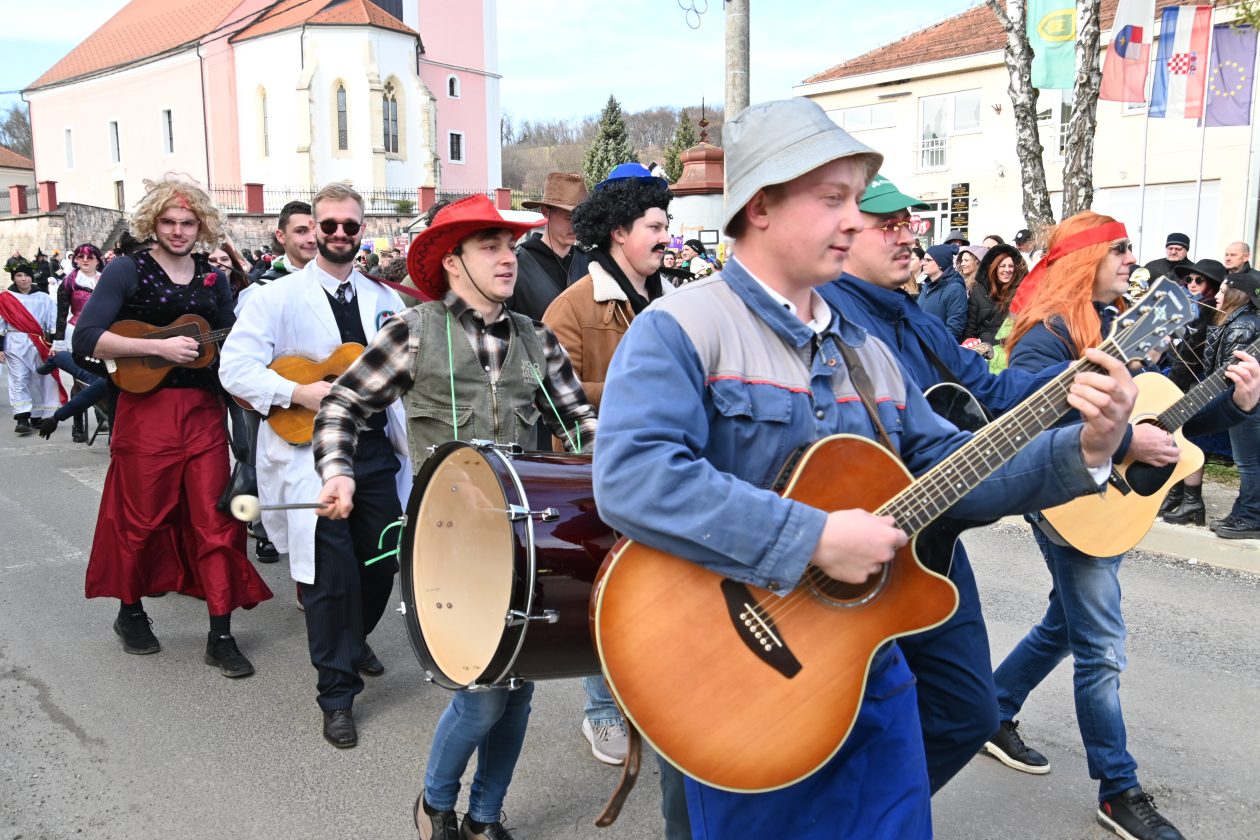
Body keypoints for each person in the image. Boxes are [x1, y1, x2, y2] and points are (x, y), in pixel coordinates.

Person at [592, 97, 1139, 840]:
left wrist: (1087, 450)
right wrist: (811, 538)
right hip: (738, 685)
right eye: (833, 198)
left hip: (868, 674)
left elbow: (947, 464)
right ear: (759, 205)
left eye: (856, 199)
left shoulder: (867, 350)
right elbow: (634, 477)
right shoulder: (682, 327)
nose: (855, 219)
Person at [311, 194, 597, 840]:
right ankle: (435, 803)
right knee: (484, 696)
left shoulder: (536, 338)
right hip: (445, 543)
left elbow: (581, 425)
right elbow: (341, 406)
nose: (508, 258)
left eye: (510, 246)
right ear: (451, 262)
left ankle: (484, 818)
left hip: (522, 541)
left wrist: (614, 461)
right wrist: (337, 472)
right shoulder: (413, 331)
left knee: (520, 687)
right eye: (489, 247)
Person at [984, 211, 1259, 840]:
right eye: (1119, 250)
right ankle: (1118, 790)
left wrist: (1240, 403)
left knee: (1067, 623)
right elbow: (1030, 428)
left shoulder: (1119, 325)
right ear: (1085, 261)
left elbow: (1173, 419)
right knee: (1101, 647)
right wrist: (1128, 441)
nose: (1133, 260)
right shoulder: (1045, 337)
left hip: (1107, 502)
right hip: (1066, 502)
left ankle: (992, 712)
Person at [818, 173, 1069, 795]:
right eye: (889, 225)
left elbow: (990, 393)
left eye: (909, 223)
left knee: (968, 712)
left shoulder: (914, 316)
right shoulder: (826, 313)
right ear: (842, 233)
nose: (908, 236)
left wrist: (1077, 377)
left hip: (932, 539)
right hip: (851, 547)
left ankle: (877, 818)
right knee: (840, 718)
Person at [220, 183, 408, 747]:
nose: (340, 234)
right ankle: (337, 694)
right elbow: (234, 368)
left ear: (362, 230)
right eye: (329, 225)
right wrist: (298, 392)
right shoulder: (274, 297)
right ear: (313, 229)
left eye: (351, 225)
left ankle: (352, 639)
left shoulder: (385, 299)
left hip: (374, 449)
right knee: (328, 576)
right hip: (309, 454)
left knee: (381, 561)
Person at [72, 178, 272, 675]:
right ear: (152, 223)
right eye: (168, 222)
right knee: (140, 519)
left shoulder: (213, 277)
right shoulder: (126, 269)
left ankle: (220, 633)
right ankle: (130, 611)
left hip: (203, 412)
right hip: (146, 414)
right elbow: (86, 338)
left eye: (187, 222)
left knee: (218, 521)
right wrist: (157, 347)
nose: (178, 231)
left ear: (201, 225)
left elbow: (231, 341)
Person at [542, 162, 672, 766]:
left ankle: (649, 695)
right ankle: (601, 709)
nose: (666, 237)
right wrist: (638, 382)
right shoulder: (572, 306)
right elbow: (552, 393)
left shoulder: (673, 299)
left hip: (670, 467)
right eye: (655, 226)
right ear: (620, 232)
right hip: (601, 471)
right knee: (608, 589)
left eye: (666, 225)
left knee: (660, 589)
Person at [1160, 258, 1227, 525]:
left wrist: (1173, 385)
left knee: (1189, 439)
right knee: (1178, 438)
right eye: (1189, 279)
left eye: (1200, 280)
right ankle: (1177, 493)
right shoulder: (1193, 307)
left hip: (1196, 383)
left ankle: (1191, 500)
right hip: (1184, 377)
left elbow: (1191, 355)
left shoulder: (1211, 313)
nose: (1192, 284)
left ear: (1213, 285)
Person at [1200, 270, 1260, 539]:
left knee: (1248, 463)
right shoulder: (1245, 320)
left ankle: (1250, 518)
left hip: (1245, 401)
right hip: (1248, 400)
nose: (1216, 296)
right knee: (1248, 461)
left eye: (1223, 291)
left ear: (1237, 295)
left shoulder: (1241, 325)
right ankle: (1242, 512)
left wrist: (1216, 403)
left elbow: (1228, 371)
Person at [509, 171, 591, 320]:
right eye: (569, 218)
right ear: (546, 212)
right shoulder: (517, 265)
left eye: (581, 218)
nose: (576, 226)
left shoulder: (588, 263)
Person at [0, 261, 62, 435]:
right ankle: (22, 417)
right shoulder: (5, 298)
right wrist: (0, 348)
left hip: (38, 342)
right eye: (19, 275)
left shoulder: (43, 297)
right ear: (13, 278)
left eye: (26, 275)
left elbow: (52, 321)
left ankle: (37, 416)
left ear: (31, 277)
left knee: (39, 379)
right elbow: (0, 325)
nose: (23, 279)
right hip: (15, 342)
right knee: (19, 378)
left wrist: (55, 343)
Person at [53, 243, 105, 441]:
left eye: (90, 257)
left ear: (97, 260)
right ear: (75, 259)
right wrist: (58, 343)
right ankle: (78, 424)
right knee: (79, 379)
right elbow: (61, 314)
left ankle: (102, 415)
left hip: (103, 334)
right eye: (81, 256)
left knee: (101, 376)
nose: (85, 260)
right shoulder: (69, 282)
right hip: (76, 333)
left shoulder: (107, 280)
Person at [966, 243, 1028, 369]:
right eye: (1002, 266)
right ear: (994, 268)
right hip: (985, 356)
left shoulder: (1022, 293)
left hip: (1010, 355)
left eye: (1011, 266)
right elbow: (970, 329)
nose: (1007, 270)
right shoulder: (978, 292)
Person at [919, 242, 967, 339]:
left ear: (941, 263)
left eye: (928, 260)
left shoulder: (955, 289)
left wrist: (937, 345)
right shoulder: (925, 287)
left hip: (937, 346)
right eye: (924, 259)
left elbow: (954, 328)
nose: (923, 263)